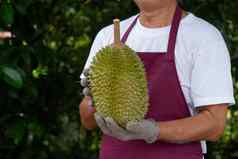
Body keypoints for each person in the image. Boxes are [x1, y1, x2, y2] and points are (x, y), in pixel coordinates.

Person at [79, 0, 235, 158]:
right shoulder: (108, 36)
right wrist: (95, 99)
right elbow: (87, 122)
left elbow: (214, 125)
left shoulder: (204, 37)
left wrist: (154, 130)